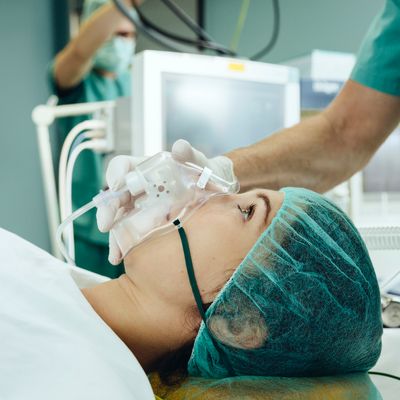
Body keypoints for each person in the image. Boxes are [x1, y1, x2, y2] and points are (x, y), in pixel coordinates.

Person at [1, 184, 382, 399]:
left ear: (239, 321)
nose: (208, 192)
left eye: (245, 210)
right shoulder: (58, 292)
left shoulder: (79, 387)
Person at [49, 0, 140, 278]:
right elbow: (79, 52)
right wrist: (124, 4)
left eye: (127, 35)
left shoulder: (137, 82)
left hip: (136, 224)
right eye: (112, 33)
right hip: (87, 228)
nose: (120, 42)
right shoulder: (76, 83)